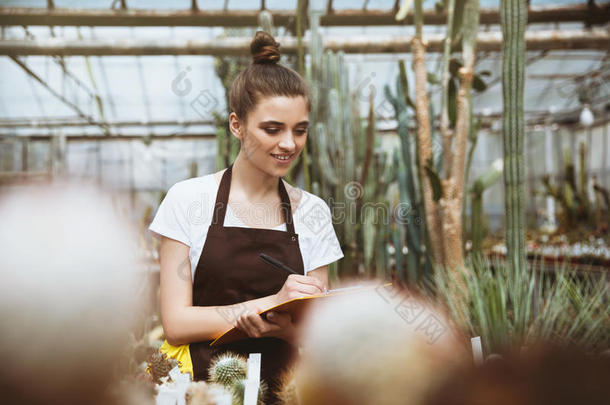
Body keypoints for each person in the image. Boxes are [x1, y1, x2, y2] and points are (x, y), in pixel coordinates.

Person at [149, 31, 344, 402]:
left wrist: (286, 328)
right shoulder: (188, 199)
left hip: (286, 393)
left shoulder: (313, 212)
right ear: (236, 125)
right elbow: (176, 324)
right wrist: (267, 305)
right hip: (202, 394)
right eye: (272, 129)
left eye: (299, 130)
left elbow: (316, 330)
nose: (289, 144)